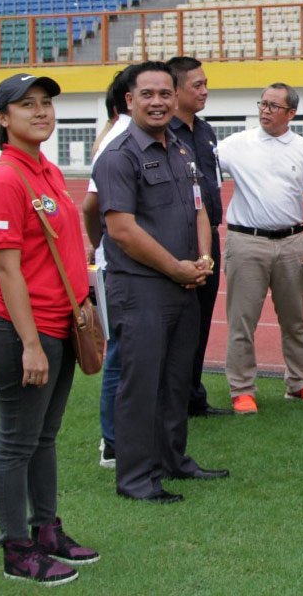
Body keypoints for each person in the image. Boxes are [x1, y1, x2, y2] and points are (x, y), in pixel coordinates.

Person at [0, 73, 99, 586]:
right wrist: (30, 344)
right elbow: (7, 270)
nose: (41, 112)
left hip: (59, 325)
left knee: (43, 437)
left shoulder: (43, 168)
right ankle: (16, 549)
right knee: (16, 441)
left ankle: (46, 529)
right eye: (26, 105)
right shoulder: (7, 178)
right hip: (22, 332)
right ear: (4, 118)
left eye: (46, 103)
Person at [92, 61, 228, 504]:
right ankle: (136, 479)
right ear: (129, 100)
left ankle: (174, 460)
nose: (158, 102)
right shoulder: (119, 155)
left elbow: (199, 210)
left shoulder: (182, 150)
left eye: (165, 94)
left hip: (184, 283)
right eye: (147, 94)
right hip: (141, 289)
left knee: (174, 381)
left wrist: (204, 258)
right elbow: (122, 230)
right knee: (141, 385)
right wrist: (175, 267)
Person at [218, 82, 303, 414]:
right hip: (246, 242)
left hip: (293, 243)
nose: (265, 110)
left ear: (291, 113)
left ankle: (299, 383)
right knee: (242, 320)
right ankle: (241, 389)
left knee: (294, 320)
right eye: (263, 104)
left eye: (273, 106)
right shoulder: (236, 144)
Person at [167, 56, 232, 418]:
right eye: (197, 85)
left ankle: (193, 396)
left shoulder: (205, 131)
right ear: (175, 91)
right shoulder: (163, 134)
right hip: (177, 242)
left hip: (209, 239)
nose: (205, 90)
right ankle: (172, 398)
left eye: (206, 83)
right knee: (178, 323)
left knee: (202, 320)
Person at [82, 65, 136, 470]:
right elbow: (90, 207)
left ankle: (127, 434)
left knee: (131, 350)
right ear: (128, 99)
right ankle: (112, 441)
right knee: (119, 351)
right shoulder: (119, 139)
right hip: (119, 266)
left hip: (129, 264)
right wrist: (102, 246)